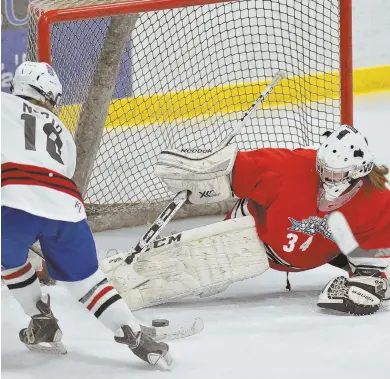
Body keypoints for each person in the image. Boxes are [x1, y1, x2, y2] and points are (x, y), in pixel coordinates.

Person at [1, 61, 172, 369]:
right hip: (67, 209)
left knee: (9, 261)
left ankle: (42, 319)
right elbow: (60, 176)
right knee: (87, 281)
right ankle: (133, 332)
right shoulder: (63, 134)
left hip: (13, 202)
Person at [142, 123, 390, 315]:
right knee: (198, 271)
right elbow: (240, 168)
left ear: (359, 172)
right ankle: (147, 267)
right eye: (324, 168)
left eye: (336, 173)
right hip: (255, 233)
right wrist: (209, 170)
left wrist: (370, 281)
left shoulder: (378, 202)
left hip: (319, 250)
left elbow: (372, 254)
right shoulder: (291, 167)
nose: (327, 176)